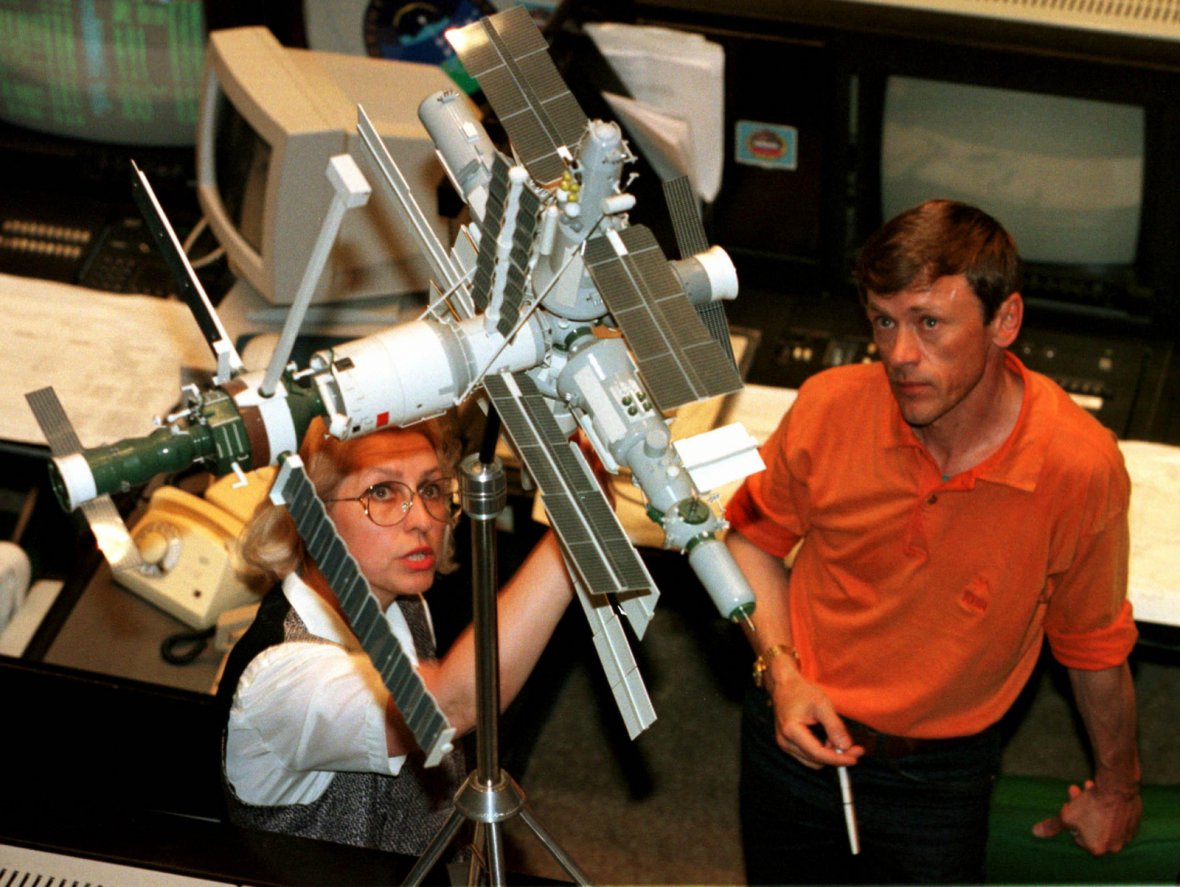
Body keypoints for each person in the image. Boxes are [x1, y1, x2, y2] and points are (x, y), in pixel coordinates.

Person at [725, 199, 1142, 884]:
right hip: (794, 732)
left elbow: (1092, 647)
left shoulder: (1078, 465)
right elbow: (752, 540)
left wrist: (1116, 787)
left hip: (942, 775)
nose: (898, 355)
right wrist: (783, 672)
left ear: (1005, 320)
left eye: (929, 323)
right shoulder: (830, 405)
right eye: (883, 322)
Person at [216, 412, 576, 858]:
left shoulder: (403, 603)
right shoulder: (281, 680)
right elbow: (449, 705)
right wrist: (573, 532)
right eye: (381, 492)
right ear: (311, 516)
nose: (423, 518)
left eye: (430, 490)